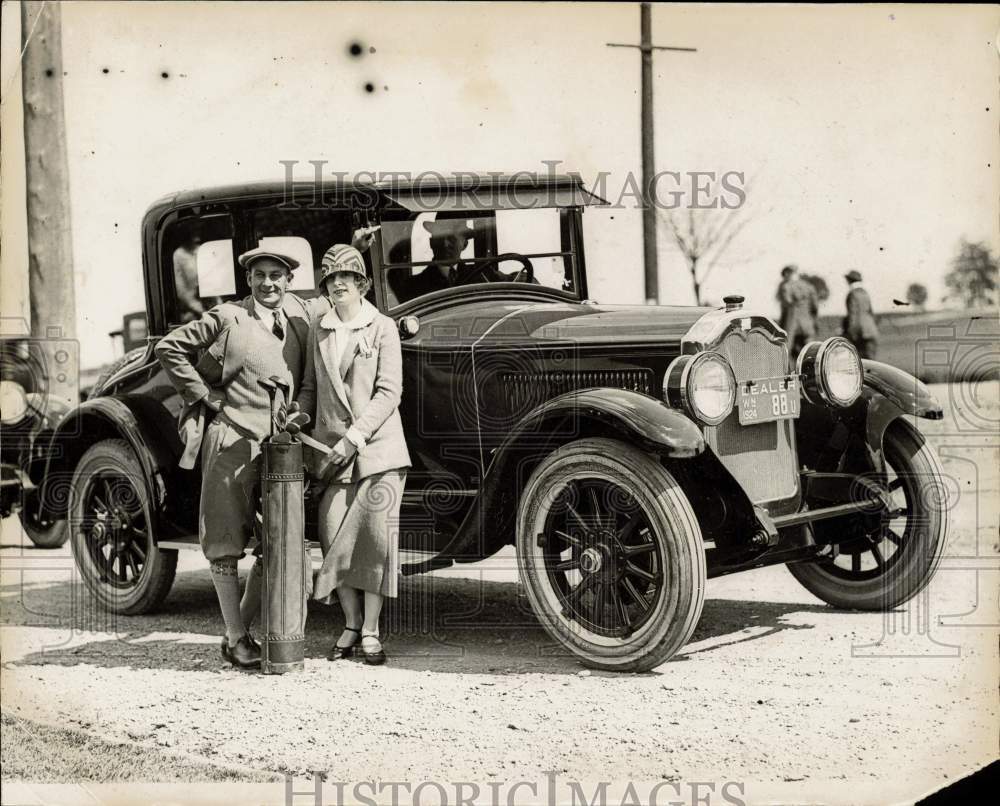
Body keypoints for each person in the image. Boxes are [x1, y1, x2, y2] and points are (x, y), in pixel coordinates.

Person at [155, 247, 313, 669]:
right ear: (249, 280)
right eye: (260, 275)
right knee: (224, 541)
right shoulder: (228, 317)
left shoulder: (298, 322)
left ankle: (236, 632)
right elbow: (169, 348)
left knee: (279, 541)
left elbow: (310, 382)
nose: (268, 283)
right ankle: (237, 637)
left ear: (288, 280)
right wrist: (205, 396)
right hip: (230, 443)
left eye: (276, 275)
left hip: (278, 454)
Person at [297, 244, 411, 666]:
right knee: (332, 538)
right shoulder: (320, 329)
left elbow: (389, 392)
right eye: (331, 279)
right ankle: (348, 622)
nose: (339, 283)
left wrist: (356, 437)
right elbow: (310, 386)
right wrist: (299, 415)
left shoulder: (382, 327)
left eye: (348, 277)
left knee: (374, 541)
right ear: (325, 287)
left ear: (362, 284)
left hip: (378, 451)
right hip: (331, 455)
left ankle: (370, 630)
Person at [776, 264, 818, 359]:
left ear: (787, 274)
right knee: (811, 352)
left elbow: (786, 305)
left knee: (785, 353)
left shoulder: (785, 287)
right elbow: (815, 306)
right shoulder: (808, 286)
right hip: (808, 324)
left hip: (791, 324)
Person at [843, 269, 879, 359]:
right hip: (871, 330)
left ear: (850, 280)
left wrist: (851, 333)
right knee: (872, 362)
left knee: (859, 362)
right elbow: (871, 312)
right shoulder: (865, 293)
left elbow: (853, 315)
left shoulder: (852, 294)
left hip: (860, 332)